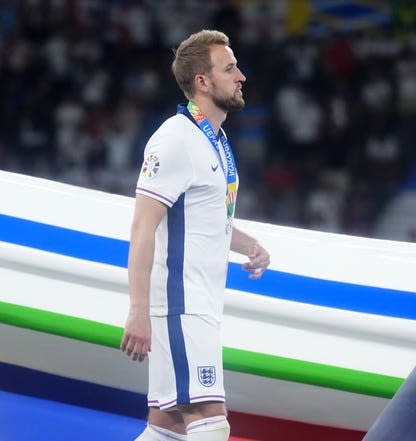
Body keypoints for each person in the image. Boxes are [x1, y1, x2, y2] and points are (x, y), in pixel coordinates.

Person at [120, 30, 271, 441]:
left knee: (166, 428)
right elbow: (142, 226)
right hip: (180, 307)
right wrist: (138, 310)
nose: (241, 76)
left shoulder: (216, 141)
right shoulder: (175, 138)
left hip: (197, 304)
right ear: (202, 82)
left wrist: (248, 245)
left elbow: (206, 219)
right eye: (229, 68)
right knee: (210, 423)